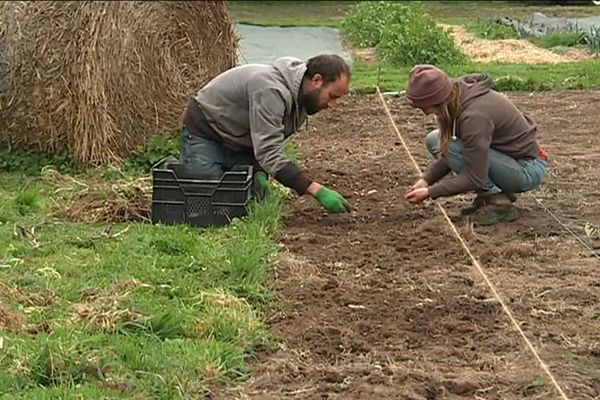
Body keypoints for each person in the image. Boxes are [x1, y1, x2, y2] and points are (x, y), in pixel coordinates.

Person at [179, 54, 352, 214]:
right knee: (208, 204)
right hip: (207, 133)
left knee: (244, 200)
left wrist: (258, 169)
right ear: (316, 80)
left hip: (239, 142)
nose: (332, 105)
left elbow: (266, 136)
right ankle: (178, 168)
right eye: (332, 96)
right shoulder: (270, 89)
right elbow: (269, 152)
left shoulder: (302, 100)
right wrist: (316, 190)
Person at [403, 65, 548, 226]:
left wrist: (430, 192)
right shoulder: (457, 97)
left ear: (437, 100)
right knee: (436, 139)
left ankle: (499, 203)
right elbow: (454, 154)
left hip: (528, 168)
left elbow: (474, 178)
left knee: (449, 145)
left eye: (424, 107)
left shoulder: (475, 117)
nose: (425, 112)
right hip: (508, 160)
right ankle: (496, 193)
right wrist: (426, 180)